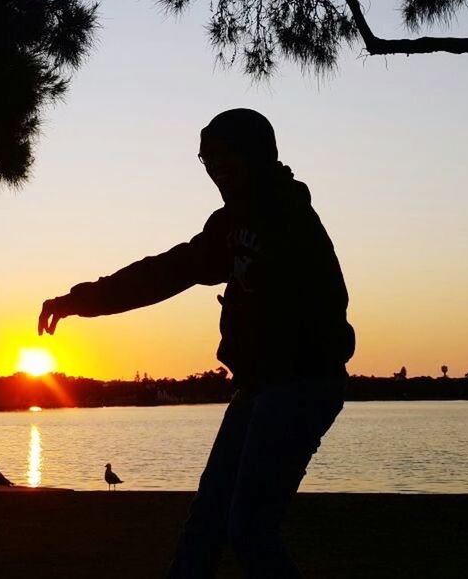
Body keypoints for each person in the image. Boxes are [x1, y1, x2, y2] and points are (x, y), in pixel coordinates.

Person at [38, 109, 355, 578]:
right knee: (206, 523)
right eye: (206, 160)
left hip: (300, 387)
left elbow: (330, 312)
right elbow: (168, 271)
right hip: (259, 389)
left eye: (223, 158)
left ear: (255, 154)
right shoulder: (233, 224)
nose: (213, 169)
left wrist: (279, 351)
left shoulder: (289, 219)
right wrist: (80, 300)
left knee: (249, 530)